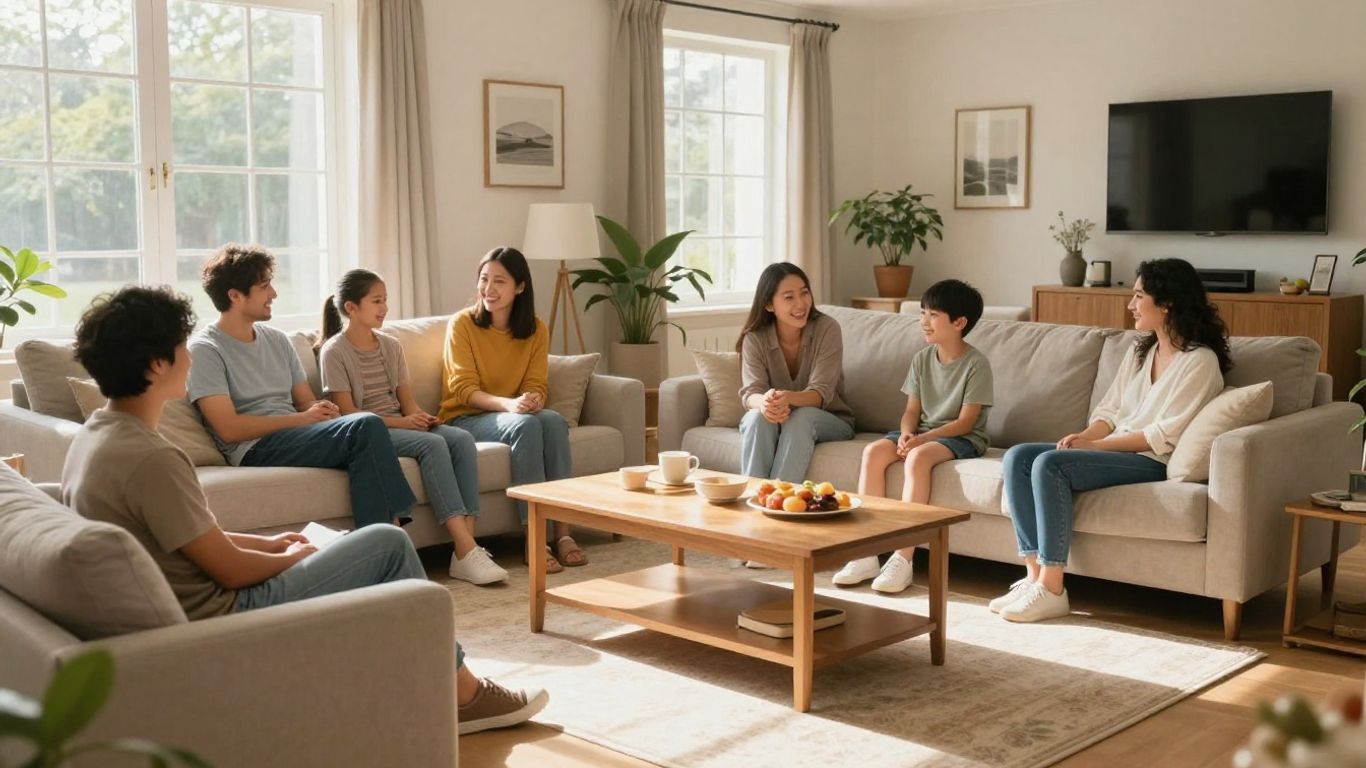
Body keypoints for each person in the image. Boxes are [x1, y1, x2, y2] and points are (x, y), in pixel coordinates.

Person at [61, 285, 548, 735]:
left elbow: (191, 540)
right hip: (220, 614)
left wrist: (273, 541)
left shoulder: (99, 437)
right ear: (155, 365)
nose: (189, 357)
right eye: (181, 347)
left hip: (192, 597)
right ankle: (464, 695)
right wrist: (297, 558)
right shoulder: (154, 458)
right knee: (388, 543)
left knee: (342, 542)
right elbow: (229, 573)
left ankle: (407, 682)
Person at [992, 258, 1228, 622]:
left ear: (1167, 303)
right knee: (1019, 458)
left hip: (1150, 459)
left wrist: (1095, 447)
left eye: (1138, 296)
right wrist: (1084, 436)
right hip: (1114, 447)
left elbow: (1161, 435)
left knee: (1050, 464)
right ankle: (1033, 576)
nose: (1130, 305)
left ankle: (1053, 588)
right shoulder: (1141, 352)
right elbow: (1110, 410)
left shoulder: (1200, 362)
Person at [188, 244, 416, 529]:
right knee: (366, 425)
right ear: (235, 295)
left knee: (361, 427)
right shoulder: (205, 350)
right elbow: (229, 428)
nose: (274, 293)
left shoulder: (277, 340)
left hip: (297, 433)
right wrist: (302, 418)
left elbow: (304, 401)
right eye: (264, 286)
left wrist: (321, 410)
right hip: (254, 448)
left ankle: (383, 532)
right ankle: (386, 530)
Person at [317, 268, 508, 585]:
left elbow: (407, 400)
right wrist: (404, 423)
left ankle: (465, 552)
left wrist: (421, 417)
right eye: (377, 301)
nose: (384, 308)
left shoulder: (391, 346)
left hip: (401, 424)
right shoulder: (334, 352)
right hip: (372, 432)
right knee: (432, 445)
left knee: (459, 439)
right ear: (351, 308)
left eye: (385, 300)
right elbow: (349, 415)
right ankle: (466, 547)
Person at [832, 279, 993, 594]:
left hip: (962, 437)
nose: (924, 321)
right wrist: (908, 433)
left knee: (918, 458)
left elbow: (966, 422)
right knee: (874, 452)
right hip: (922, 432)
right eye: (923, 313)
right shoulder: (921, 359)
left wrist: (921, 440)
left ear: (959, 323)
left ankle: (903, 558)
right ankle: (865, 551)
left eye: (933, 315)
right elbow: (910, 411)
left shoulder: (976, 364)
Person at [438, 247, 582, 574]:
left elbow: (537, 383)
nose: (489, 288)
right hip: (465, 418)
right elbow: (463, 388)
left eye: (499, 281)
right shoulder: (462, 325)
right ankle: (533, 539)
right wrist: (511, 405)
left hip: (509, 413)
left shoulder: (535, 329)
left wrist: (533, 399)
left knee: (553, 422)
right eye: (484, 279)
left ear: (520, 287)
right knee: (526, 427)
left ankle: (563, 534)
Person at [737, 263, 855, 483]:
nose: (801, 303)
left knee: (801, 417)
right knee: (756, 417)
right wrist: (765, 402)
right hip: (776, 418)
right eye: (789, 297)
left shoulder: (827, 329)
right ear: (769, 305)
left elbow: (821, 394)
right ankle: (753, 497)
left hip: (831, 420)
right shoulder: (754, 338)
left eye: (804, 292)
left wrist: (786, 398)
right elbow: (750, 393)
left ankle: (780, 499)